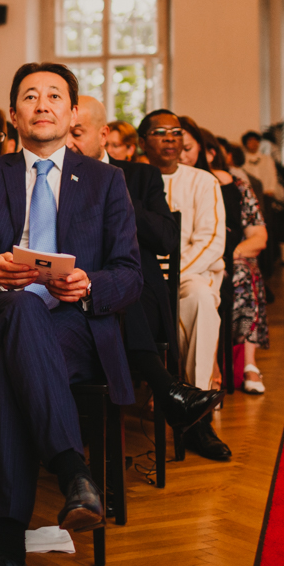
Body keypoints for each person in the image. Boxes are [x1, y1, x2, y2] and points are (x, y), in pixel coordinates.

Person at [0, 63, 142, 566]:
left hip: (71, 325)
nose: (42, 104)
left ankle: (7, 551)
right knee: (18, 310)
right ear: (14, 114)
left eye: (54, 95)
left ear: (72, 112)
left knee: (7, 369)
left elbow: (131, 274)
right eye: (29, 96)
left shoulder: (105, 180)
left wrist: (89, 284)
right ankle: (72, 468)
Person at [68, 97, 222, 431]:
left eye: (76, 133)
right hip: (77, 293)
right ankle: (169, 392)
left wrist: (114, 190)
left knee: (122, 286)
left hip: (138, 295)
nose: (68, 143)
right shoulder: (56, 178)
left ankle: (179, 415)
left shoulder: (138, 176)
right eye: (63, 133)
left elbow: (166, 238)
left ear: (103, 135)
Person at [138, 110, 230, 461]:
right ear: (142, 141)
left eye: (176, 132)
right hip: (143, 276)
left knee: (201, 300)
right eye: (159, 132)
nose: (169, 138)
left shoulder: (203, 182)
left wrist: (170, 279)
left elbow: (211, 241)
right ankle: (172, 394)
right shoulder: (129, 178)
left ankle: (197, 414)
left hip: (190, 274)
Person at [205, 138, 269, 394]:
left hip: (229, 255)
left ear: (210, 153)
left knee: (244, 272)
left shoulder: (237, 186)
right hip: (195, 259)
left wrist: (230, 256)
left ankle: (249, 364)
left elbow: (259, 237)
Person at [241, 131, 284, 203]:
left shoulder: (267, 158)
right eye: (251, 141)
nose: (254, 144)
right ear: (245, 144)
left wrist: (271, 189)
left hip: (266, 193)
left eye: (256, 141)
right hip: (251, 193)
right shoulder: (243, 160)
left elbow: (273, 174)